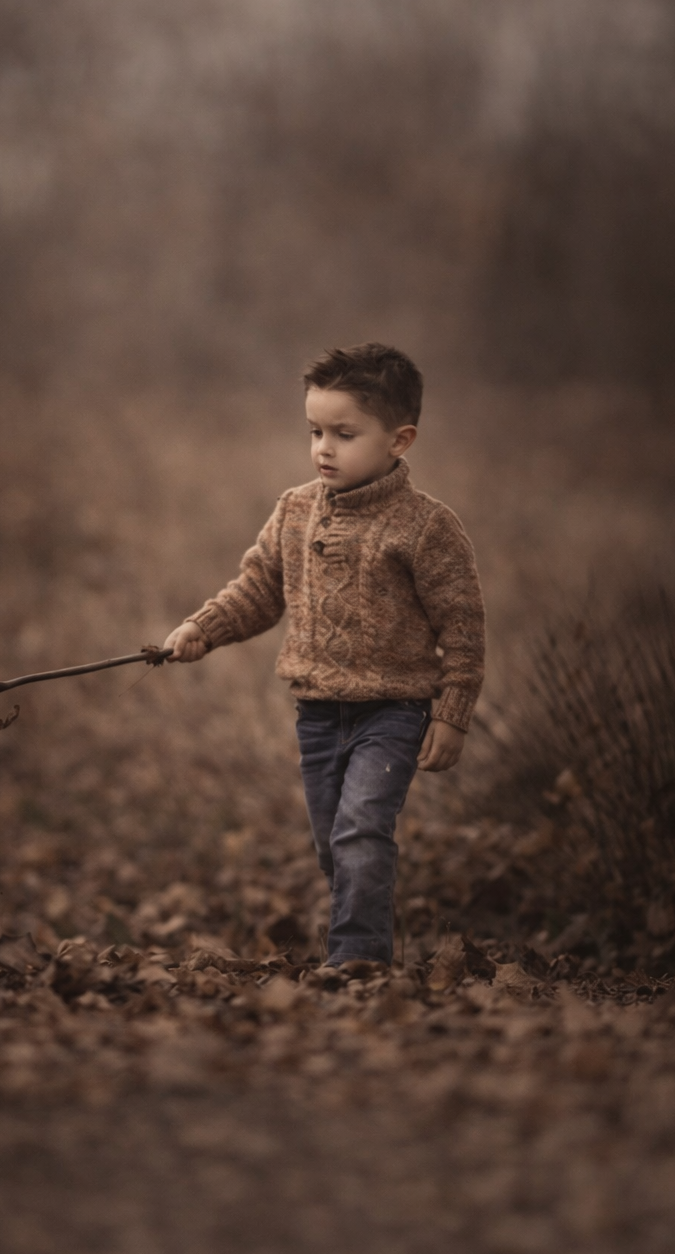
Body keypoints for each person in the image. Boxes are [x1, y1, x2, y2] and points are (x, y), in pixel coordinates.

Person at [163, 343, 485, 969]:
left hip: (392, 711)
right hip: (316, 714)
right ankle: (362, 940)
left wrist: (452, 712)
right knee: (331, 847)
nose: (323, 449)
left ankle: (357, 964)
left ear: (400, 439)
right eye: (314, 431)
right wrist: (204, 628)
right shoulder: (294, 510)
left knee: (362, 830)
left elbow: (464, 626)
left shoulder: (427, 528)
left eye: (344, 433)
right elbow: (259, 589)